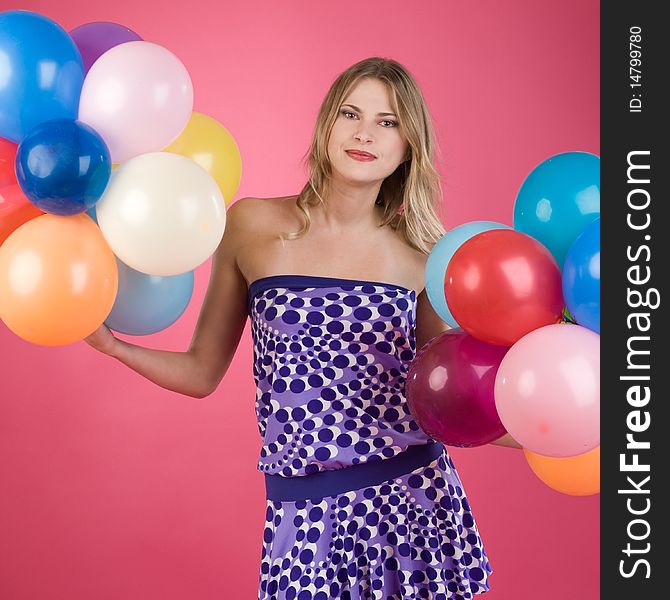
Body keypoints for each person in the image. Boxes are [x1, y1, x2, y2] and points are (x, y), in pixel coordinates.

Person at [85, 56, 521, 599]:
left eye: (388, 122)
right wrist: (110, 344)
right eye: (350, 114)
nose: (365, 134)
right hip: (300, 518)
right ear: (326, 125)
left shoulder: (425, 256)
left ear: (409, 145)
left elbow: (447, 403)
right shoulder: (250, 226)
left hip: (409, 505)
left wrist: (549, 429)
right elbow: (201, 373)